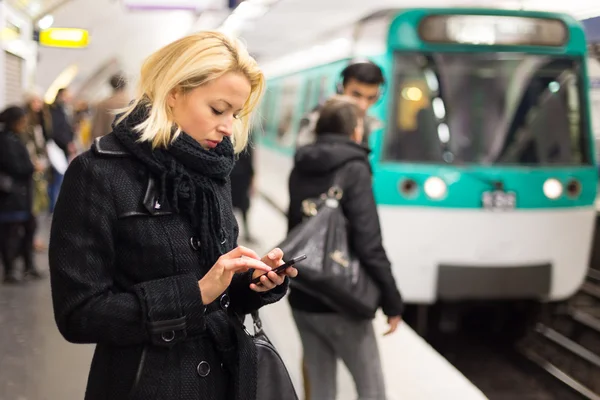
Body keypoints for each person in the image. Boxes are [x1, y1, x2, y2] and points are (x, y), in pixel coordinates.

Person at [48, 31, 297, 400]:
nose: (228, 127)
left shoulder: (212, 170)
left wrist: (251, 284)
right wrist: (193, 295)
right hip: (146, 385)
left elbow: (216, 291)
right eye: (217, 109)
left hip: (225, 380)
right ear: (174, 92)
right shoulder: (97, 174)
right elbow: (78, 313)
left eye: (235, 113)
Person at [287, 96, 403, 400]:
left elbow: (295, 229)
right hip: (343, 299)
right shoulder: (355, 168)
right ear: (355, 131)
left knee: (321, 389)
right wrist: (392, 300)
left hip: (303, 294)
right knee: (371, 390)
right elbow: (369, 242)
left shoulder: (301, 163)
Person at [295, 59, 385, 149]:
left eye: (371, 98)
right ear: (341, 89)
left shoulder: (369, 123)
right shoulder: (315, 120)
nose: (363, 105)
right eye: (356, 95)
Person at [0, 106, 44, 283]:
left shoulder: (14, 138)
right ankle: (11, 269)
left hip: (22, 195)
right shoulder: (6, 140)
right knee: (10, 233)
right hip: (11, 196)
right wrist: (32, 167)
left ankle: (28, 266)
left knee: (29, 228)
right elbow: (15, 166)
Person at [230, 131, 256, 243]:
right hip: (238, 176)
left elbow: (250, 159)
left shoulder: (245, 132)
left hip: (236, 175)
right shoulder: (246, 132)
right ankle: (240, 232)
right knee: (241, 206)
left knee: (238, 206)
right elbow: (250, 158)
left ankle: (233, 232)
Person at [90, 73, 130, 141]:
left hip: (107, 144)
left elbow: (97, 129)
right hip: (127, 145)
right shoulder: (131, 103)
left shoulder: (103, 104)